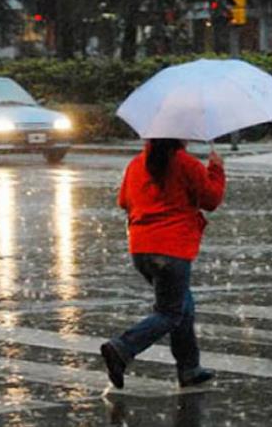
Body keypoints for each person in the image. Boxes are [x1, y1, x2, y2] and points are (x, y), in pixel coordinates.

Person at [101, 138, 226, 389]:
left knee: (183, 306)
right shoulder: (186, 164)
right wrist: (216, 169)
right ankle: (123, 347)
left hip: (141, 249)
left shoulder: (137, 164)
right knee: (170, 312)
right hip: (172, 249)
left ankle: (189, 368)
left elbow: (124, 201)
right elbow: (211, 200)